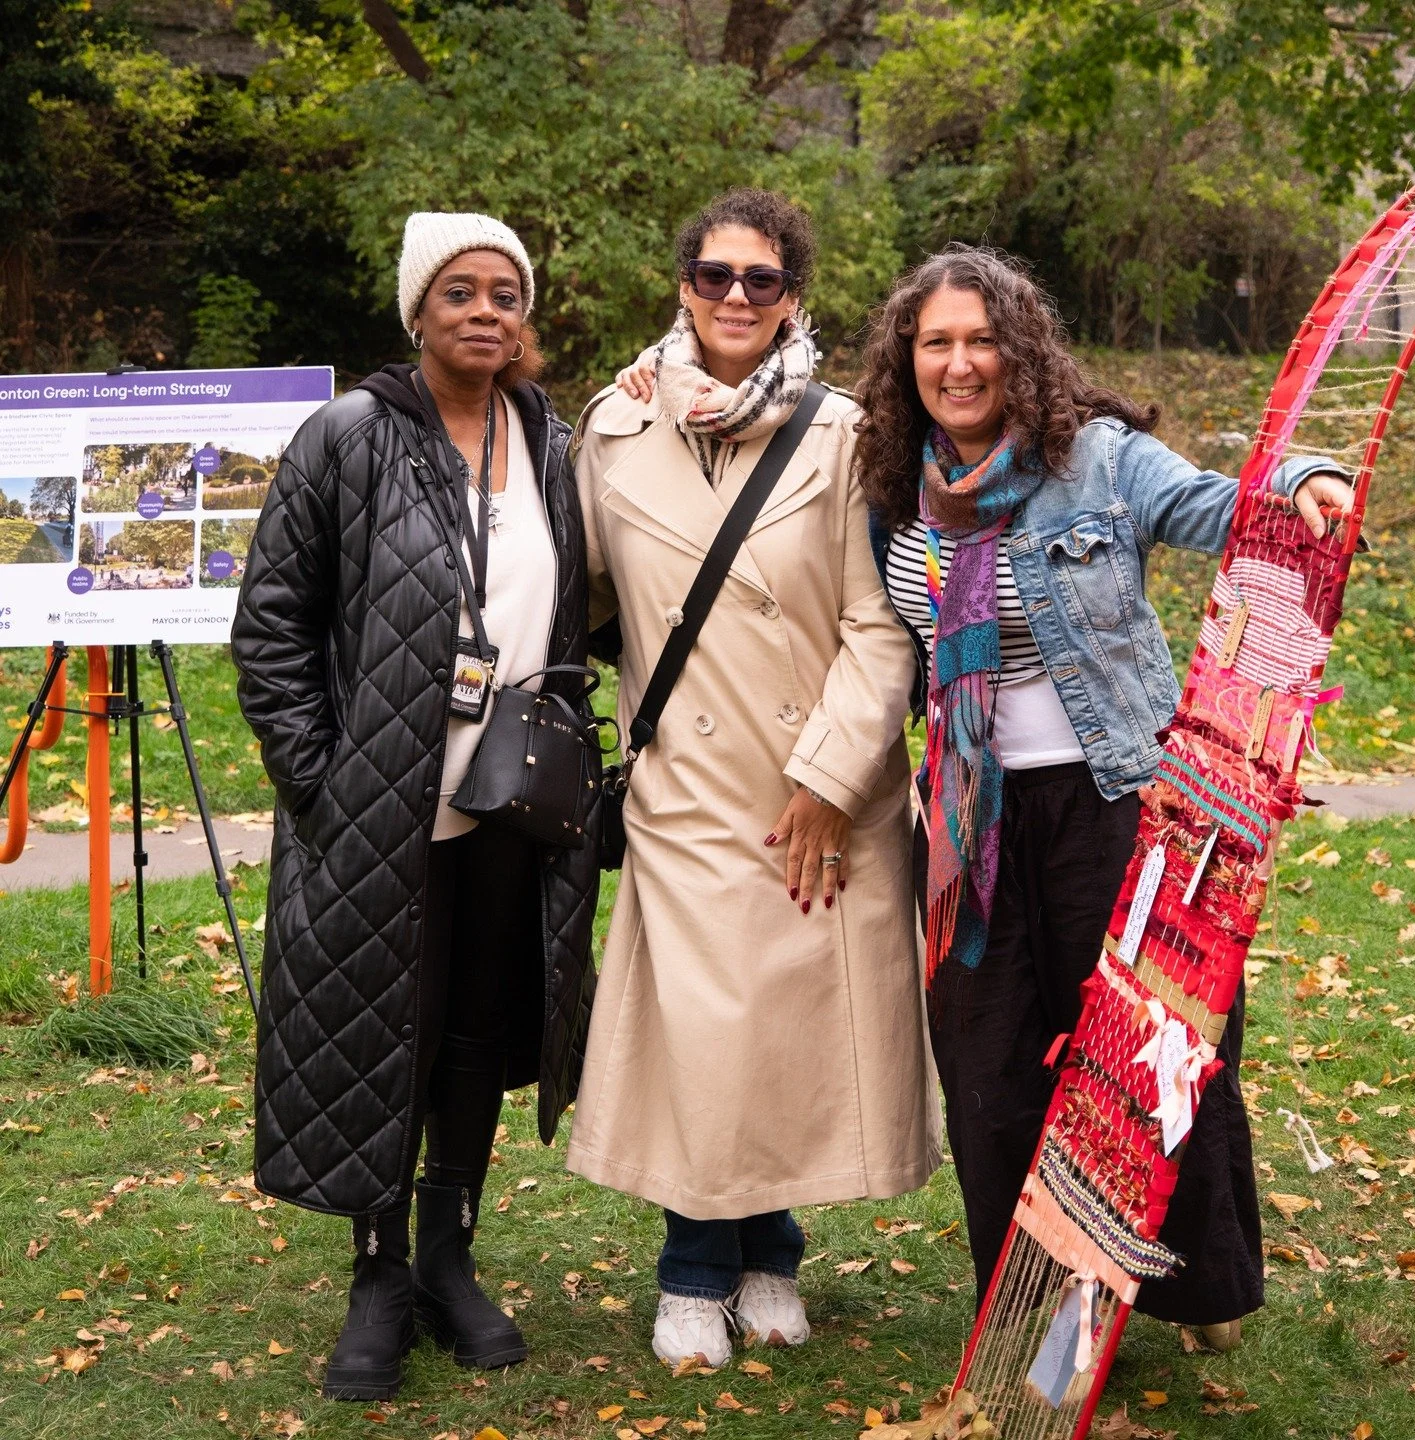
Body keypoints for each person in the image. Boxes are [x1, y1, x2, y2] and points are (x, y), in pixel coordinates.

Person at [853, 245, 1354, 1353]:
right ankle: (1040, 1308)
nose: (960, 363)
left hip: (1114, 803)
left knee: (1148, 1047)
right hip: (970, 822)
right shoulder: (893, 486)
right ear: (907, 358)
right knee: (990, 1065)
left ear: (1020, 349)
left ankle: (1191, 1287)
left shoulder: (1096, 460)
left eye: (982, 339)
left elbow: (1217, 505)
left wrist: (1303, 476)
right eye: (937, 342)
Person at [232, 212, 601, 1401]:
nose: (486, 311)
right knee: (388, 1026)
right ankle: (379, 1273)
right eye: (460, 292)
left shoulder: (548, 441)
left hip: (515, 797)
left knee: (479, 1028)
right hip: (382, 806)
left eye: (505, 293)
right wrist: (322, 782)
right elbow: (272, 628)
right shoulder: (347, 436)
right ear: (417, 311)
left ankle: (450, 1254)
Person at [570, 188, 940, 1369]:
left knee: (783, 1030)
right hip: (684, 779)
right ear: (684, 287)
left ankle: (771, 1250)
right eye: (716, 275)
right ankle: (694, 1268)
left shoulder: (845, 434)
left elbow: (881, 624)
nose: (737, 295)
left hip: (815, 782)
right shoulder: (613, 428)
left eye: (762, 279)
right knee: (707, 1029)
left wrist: (829, 777)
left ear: (793, 297)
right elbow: (585, 598)